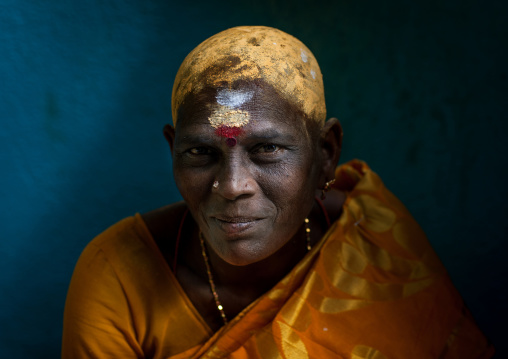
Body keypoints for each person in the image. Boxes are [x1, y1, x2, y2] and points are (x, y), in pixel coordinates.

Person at [62, 26, 494, 358]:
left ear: (326, 153)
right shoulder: (119, 276)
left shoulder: (376, 247)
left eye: (267, 149)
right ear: (172, 148)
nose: (232, 186)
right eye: (199, 152)